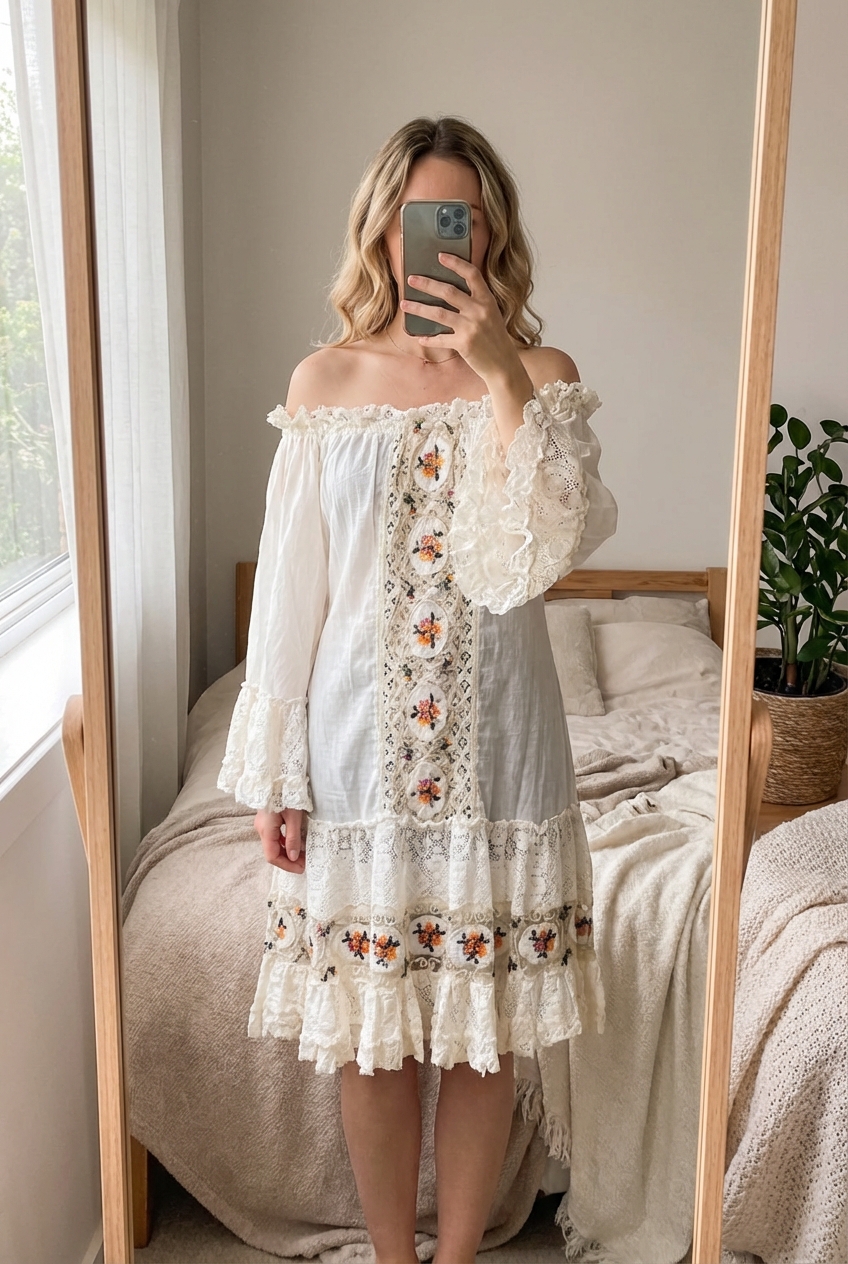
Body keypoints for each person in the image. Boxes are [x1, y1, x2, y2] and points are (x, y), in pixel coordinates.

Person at [218, 116, 617, 1264]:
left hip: (502, 755)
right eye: (421, 219)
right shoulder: (325, 383)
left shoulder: (541, 377)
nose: (445, 240)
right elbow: (291, 591)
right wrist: (276, 771)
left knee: (483, 1029)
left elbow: (541, 553)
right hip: (358, 758)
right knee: (373, 1033)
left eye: (466, 220)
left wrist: (499, 375)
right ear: (382, 231)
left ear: (491, 236)